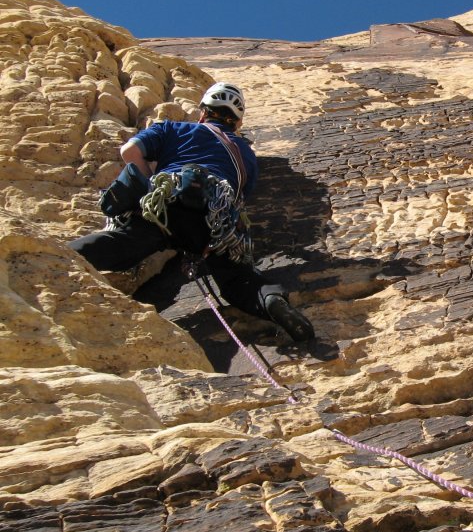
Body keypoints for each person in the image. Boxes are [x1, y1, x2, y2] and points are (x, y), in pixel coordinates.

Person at [70, 82, 315, 342]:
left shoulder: (173, 128)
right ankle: (270, 300)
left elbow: (129, 152)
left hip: (166, 207)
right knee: (237, 279)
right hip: (213, 221)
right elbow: (238, 199)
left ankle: (66, 256)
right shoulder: (245, 153)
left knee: (121, 244)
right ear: (237, 123)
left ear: (203, 113)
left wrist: (150, 186)